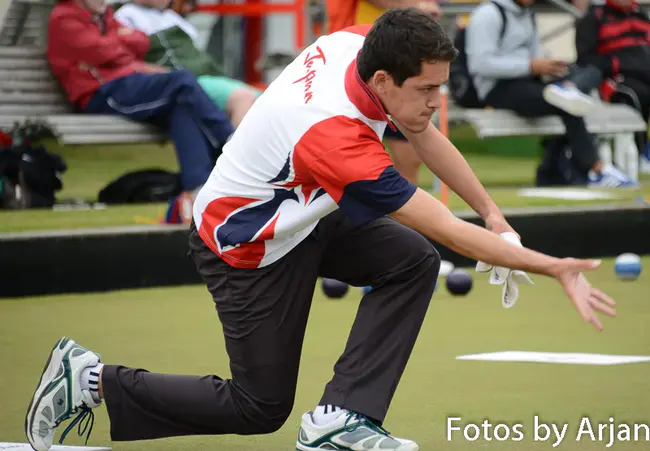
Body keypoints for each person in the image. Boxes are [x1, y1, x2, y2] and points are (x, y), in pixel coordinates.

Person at [27, 9, 616, 451]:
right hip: (244, 244)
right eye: (427, 90)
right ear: (384, 79)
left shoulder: (353, 47)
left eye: (441, 87)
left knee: (409, 261)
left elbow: (425, 135)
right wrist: (551, 264)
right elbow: (442, 227)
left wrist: (493, 215)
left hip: (301, 217)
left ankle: (343, 418)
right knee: (259, 406)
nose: (438, 102)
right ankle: (93, 380)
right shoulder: (332, 135)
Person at [46, 0, 235, 220]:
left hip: (124, 83)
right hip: (101, 94)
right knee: (181, 80)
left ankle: (198, 188)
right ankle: (230, 143)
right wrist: (121, 49)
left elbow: (141, 41)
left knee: (181, 107)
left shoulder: (103, 16)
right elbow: (101, 51)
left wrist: (117, 48)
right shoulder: (64, 17)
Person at [465, 0, 635, 187]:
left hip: (531, 81)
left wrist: (549, 66)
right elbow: (480, 64)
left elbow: (536, 55)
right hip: (497, 88)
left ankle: (570, 88)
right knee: (567, 105)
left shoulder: (527, 13)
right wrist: (530, 65)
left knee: (590, 72)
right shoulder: (488, 14)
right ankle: (596, 169)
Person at [325, 0, 441, 184]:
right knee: (350, 161)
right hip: (357, 59)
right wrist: (416, 6)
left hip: (386, 58)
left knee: (408, 158)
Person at [113, 0, 261, 128]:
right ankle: (232, 158)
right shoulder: (125, 16)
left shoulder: (173, 18)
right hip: (183, 82)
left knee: (264, 100)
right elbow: (128, 61)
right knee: (243, 98)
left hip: (208, 77)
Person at [575, 0, 650, 173]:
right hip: (614, 79)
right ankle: (639, 154)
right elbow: (585, 60)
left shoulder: (642, 17)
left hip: (645, 76)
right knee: (634, 95)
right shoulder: (594, 18)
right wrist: (615, 64)